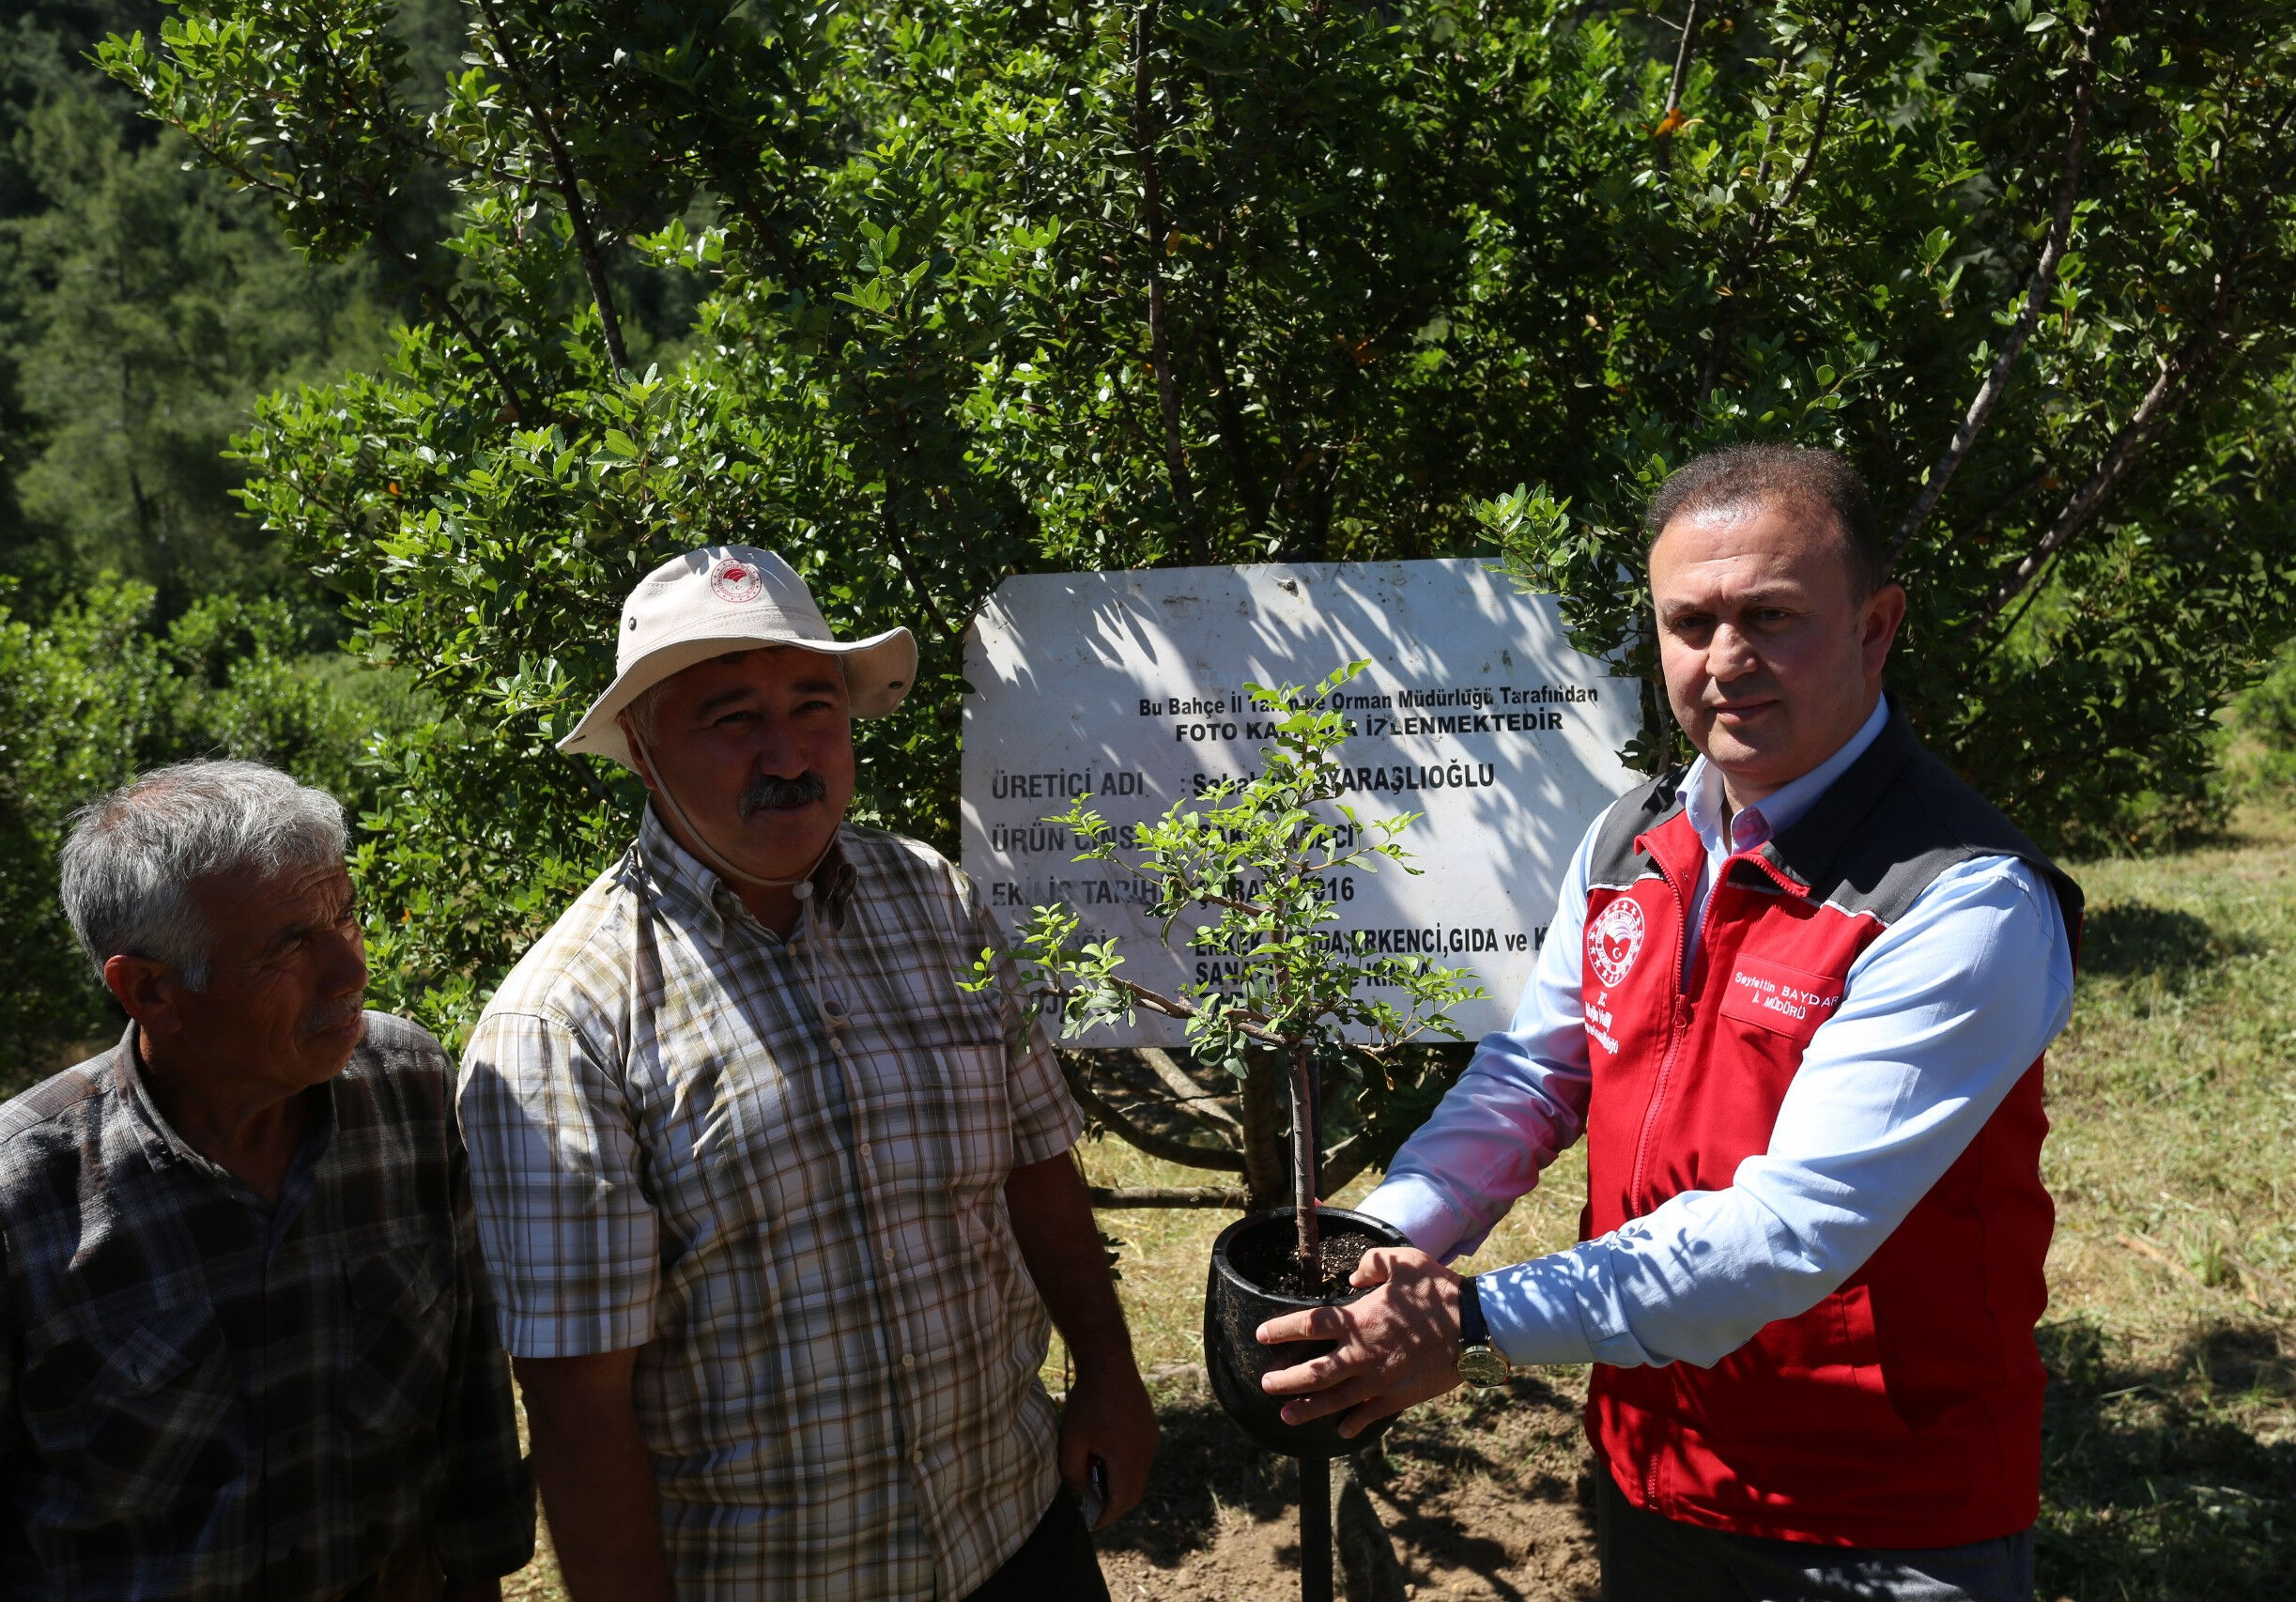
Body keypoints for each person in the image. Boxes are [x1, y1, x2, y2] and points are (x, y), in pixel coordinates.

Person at [1256, 445, 2082, 1602]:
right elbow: (1534, 1079)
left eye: (1773, 616)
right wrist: (1373, 1241)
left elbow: (1792, 1228)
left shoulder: (1959, 898)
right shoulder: (1631, 841)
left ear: (1876, 626)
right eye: (1689, 622)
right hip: (1652, 1469)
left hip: (1881, 1516)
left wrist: (1472, 1316)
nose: (1726, 661)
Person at [457, 545, 1157, 1602]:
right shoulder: (563, 1024)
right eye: (733, 717)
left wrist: (1108, 1370)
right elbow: (575, 1401)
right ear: (644, 750)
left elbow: (1034, 1164)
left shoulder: (933, 899)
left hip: (1015, 1530)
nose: (789, 751)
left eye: (814, 705)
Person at [0, 760, 534, 1602]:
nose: (349, 971)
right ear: (149, 990)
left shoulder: (407, 1084)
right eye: (287, 946)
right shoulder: (24, 1198)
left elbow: (468, 1393)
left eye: (345, 918)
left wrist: (477, 1574)